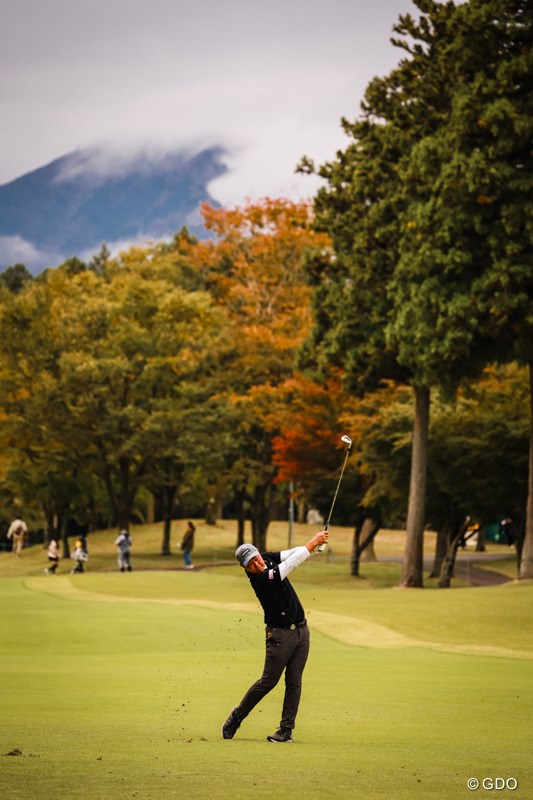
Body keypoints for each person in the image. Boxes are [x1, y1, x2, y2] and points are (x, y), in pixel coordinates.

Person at [221, 529, 328, 744]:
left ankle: (285, 731)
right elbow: (290, 565)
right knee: (268, 682)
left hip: (301, 632)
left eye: (256, 558)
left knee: (294, 682)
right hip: (279, 636)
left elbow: (292, 553)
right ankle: (236, 717)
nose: (257, 564)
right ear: (245, 568)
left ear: (259, 553)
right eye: (250, 563)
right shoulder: (261, 579)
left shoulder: (267, 558)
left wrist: (313, 548)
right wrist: (312, 543)